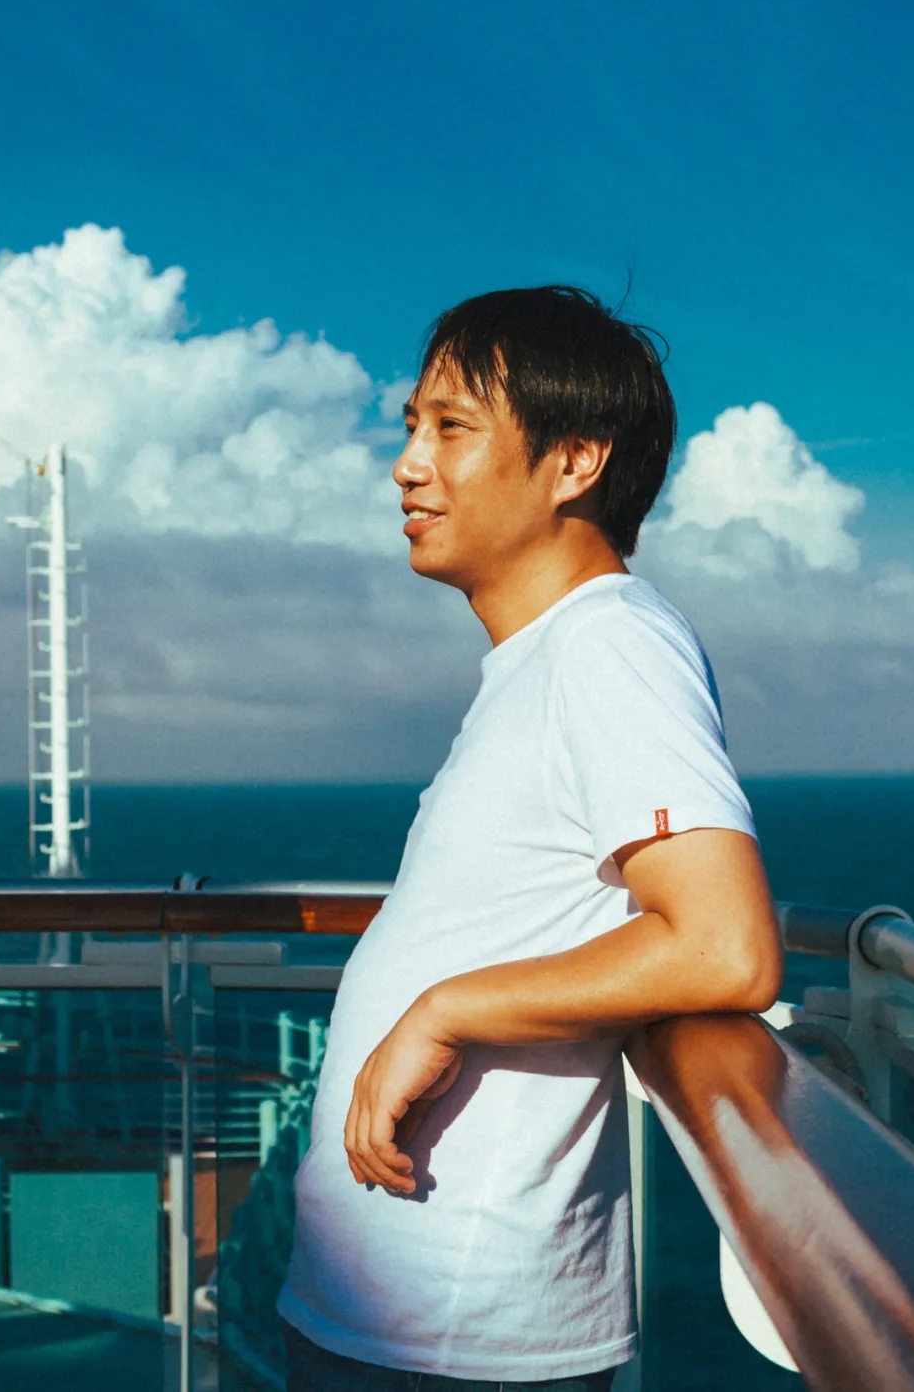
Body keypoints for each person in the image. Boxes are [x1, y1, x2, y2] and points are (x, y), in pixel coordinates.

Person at [278, 285, 783, 1390]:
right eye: (411, 428)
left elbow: (723, 946)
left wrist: (445, 1008)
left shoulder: (611, 645)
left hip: (458, 1338)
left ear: (575, 462)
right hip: (400, 1313)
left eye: (451, 428)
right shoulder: (544, 659)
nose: (407, 466)